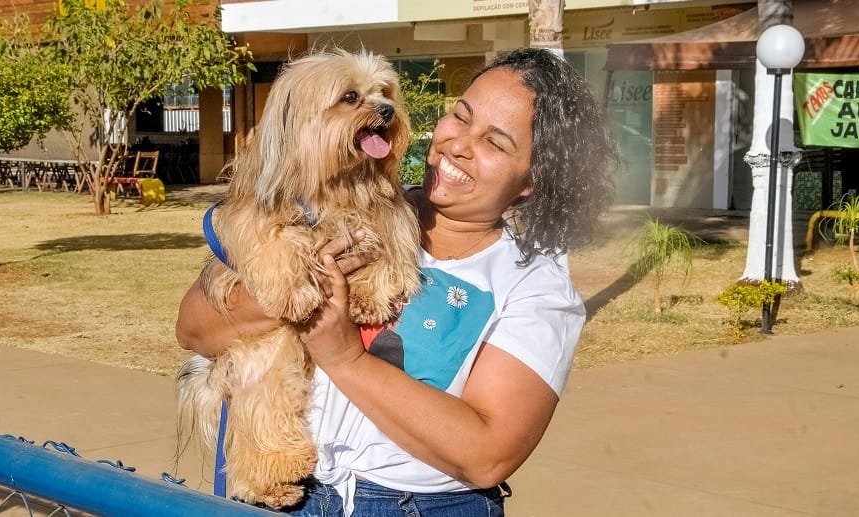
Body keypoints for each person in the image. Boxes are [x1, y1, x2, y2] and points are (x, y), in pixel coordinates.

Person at [176, 47, 615, 516]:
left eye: (495, 143)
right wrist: (291, 289)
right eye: (461, 117)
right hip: (295, 497)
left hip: (416, 507)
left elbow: (488, 456)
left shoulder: (535, 288)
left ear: (532, 181)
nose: (459, 145)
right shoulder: (330, 209)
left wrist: (344, 356)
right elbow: (193, 330)